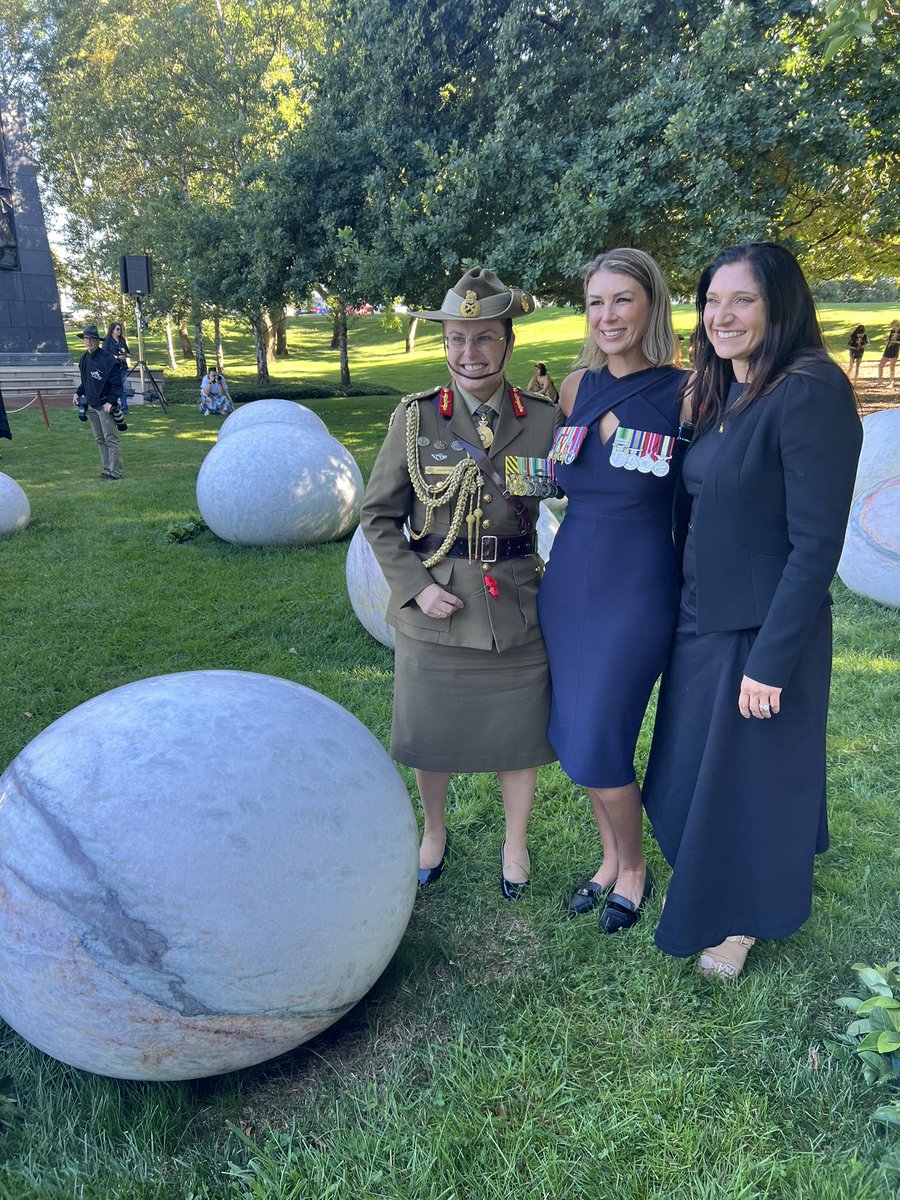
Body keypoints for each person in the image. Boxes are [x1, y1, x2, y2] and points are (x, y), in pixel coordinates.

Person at [642, 242, 862, 980]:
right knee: (686, 768)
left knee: (744, 780)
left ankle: (739, 920)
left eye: (743, 300)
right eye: (712, 300)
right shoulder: (724, 389)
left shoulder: (809, 390)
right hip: (700, 616)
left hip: (760, 629)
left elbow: (815, 543)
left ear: (780, 307)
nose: (721, 315)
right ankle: (721, 875)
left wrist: (771, 660)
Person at [360, 268, 559, 899]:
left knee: (519, 734)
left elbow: (569, 502)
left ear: (507, 344)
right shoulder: (416, 420)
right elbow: (378, 515)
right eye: (456, 340)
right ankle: (434, 832)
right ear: (444, 346)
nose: (469, 353)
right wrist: (416, 586)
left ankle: (516, 843)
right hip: (437, 606)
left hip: (517, 603)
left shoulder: (544, 421)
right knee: (432, 735)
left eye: (483, 339)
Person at [538, 248, 683, 932]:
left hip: (638, 587)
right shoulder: (573, 389)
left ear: (650, 304)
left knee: (600, 739)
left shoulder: (689, 391)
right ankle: (607, 860)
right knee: (574, 737)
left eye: (621, 299)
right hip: (569, 585)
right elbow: (552, 479)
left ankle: (634, 867)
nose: (607, 315)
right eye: (596, 302)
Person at [73, 324, 126, 481]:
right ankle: (106, 469)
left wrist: (110, 402)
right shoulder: (84, 359)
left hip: (104, 405)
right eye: (86, 338)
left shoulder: (107, 359)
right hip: (90, 404)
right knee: (99, 439)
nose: (88, 341)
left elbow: (117, 385)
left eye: (92, 339)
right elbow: (86, 381)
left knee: (110, 438)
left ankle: (116, 472)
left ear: (97, 340)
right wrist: (78, 392)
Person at [102, 321, 131, 414]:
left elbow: (128, 352)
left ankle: (124, 409)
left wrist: (126, 355)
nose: (119, 331)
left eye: (120, 329)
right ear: (112, 330)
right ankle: (113, 406)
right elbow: (105, 354)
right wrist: (117, 357)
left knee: (123, 388)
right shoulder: (107, 341)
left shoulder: (122, 340)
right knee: (114, 387)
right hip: (113, 368)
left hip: (123, 367)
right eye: (117, 329)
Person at [876, 320, 900, 389]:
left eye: (895, 327)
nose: (893, 329)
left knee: (892, 367)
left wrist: (894, 341)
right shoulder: (892, 331)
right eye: (892, 327)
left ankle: (891, 382)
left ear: (898, 326)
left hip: (895, 350)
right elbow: (889, 339)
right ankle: (880, 379)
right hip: (888, 349)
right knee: (881, 365)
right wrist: (886, 340)